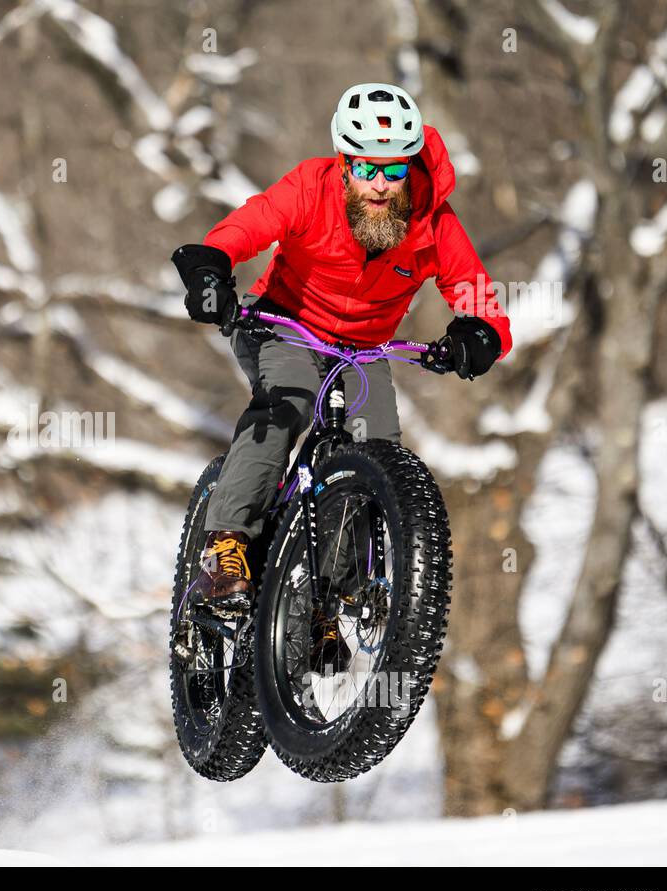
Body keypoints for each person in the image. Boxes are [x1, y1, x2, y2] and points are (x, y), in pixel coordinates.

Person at [172, 82, 511, 611]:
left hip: (363, 351)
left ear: (410, 165)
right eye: (365, 168)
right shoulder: (311, 186)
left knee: (378, 448)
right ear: (344, 161)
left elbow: (477, 295)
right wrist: (209, 269)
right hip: (283, 323)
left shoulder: (431, 222)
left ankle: (335, 588)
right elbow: (248, 226)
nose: (379, 185)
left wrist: (479, 335)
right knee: (291, 400)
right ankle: (226, 545)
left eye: (394, 170)